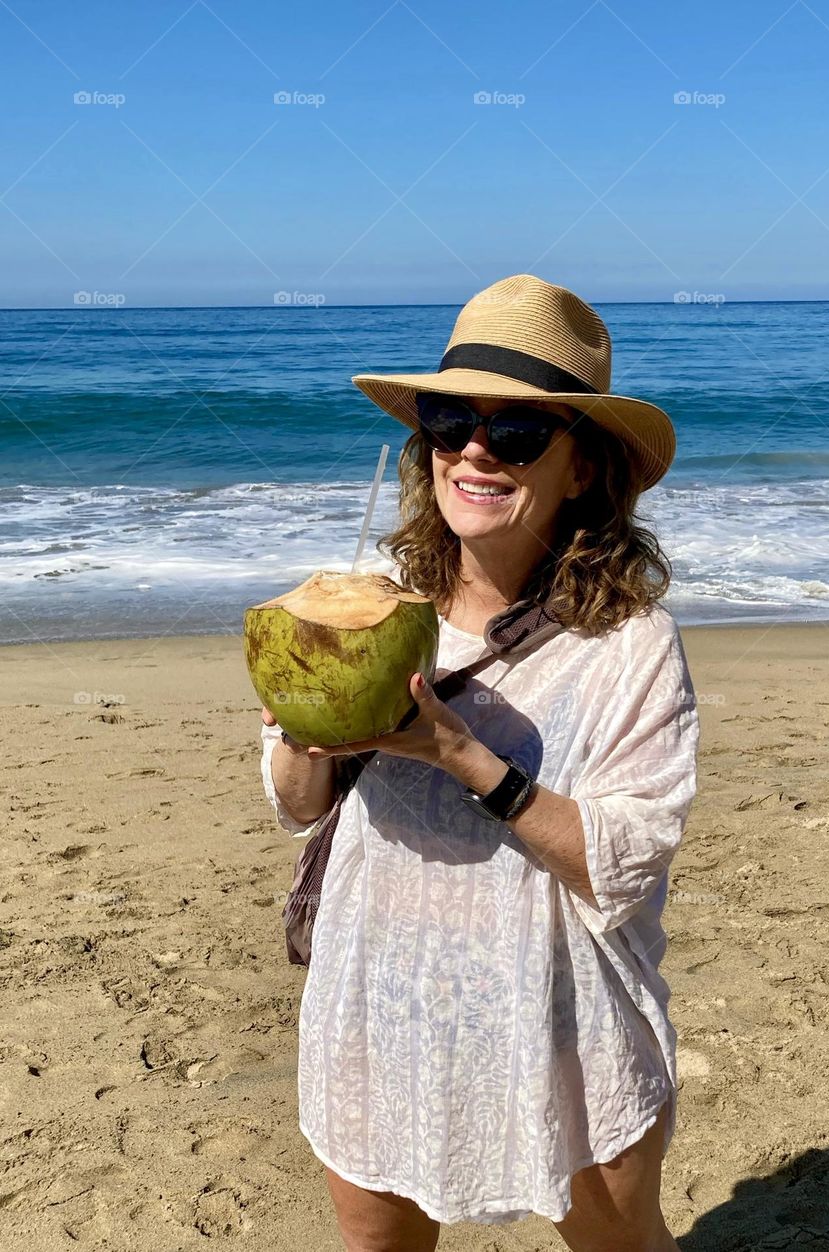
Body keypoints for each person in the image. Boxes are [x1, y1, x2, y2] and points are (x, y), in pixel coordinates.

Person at [258, 273, 700, 1252]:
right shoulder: (376, 604)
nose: (472, 451)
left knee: (619, 1241)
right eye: (451, 422)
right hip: (386, 987)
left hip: (557, 1005)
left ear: (581, 468)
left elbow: (624, 859)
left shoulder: (627, 642)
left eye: (516, 433)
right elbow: (297, 805)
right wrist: (301, 728)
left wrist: (461, 753)